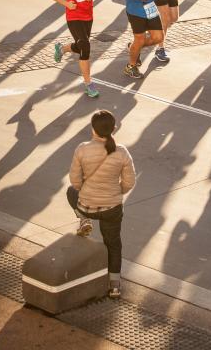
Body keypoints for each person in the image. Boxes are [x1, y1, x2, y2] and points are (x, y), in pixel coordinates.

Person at [67, 109, 136, 298]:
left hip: (86, 205)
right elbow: (130, 182)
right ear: (114, 128)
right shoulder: (122, 152)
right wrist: (116, 192)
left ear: (93, 129)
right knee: (113, 244)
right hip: (112, 209)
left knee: (71, 192)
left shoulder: (82, 148)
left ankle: (84, 220)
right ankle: (114, 285)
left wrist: (86, 191)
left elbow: (75, 181)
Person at [49, 0, 105, 98]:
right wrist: (66, 4)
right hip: (73, 16)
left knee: (81, 45)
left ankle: (62, 49)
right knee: (85, 47)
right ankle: (88, 84)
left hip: (88, 15)